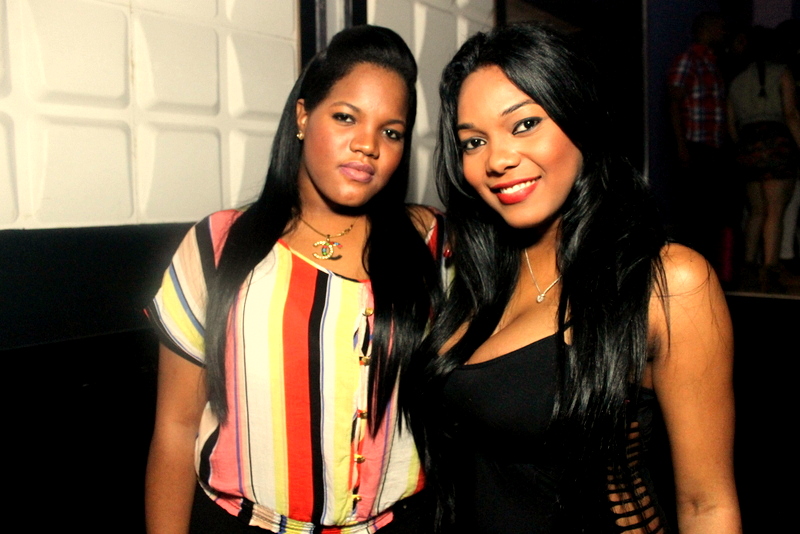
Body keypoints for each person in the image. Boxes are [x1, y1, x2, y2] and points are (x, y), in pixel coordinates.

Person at [421, 23, 741, 533]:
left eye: (525, 124)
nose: (497, 159)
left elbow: (708, 505)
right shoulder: (477, 282)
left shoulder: (665, 283)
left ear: (580, 119)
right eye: (474, 141)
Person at [145, 25, 443, 534]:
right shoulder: (217, 247)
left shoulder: (432, 247)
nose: (367, 145)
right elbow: (176, 428)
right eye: (346, 117)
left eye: (391, 132)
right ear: (303, 116)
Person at [728, 26, 800, 291]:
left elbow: (731, 125)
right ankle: (770, 269)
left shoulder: (736, 80)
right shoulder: (782, 72)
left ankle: (747, 267)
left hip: (748, 146)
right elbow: (790, 114)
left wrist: (744, 148)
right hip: (776, 144)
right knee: (775, 211)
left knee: (756, 211)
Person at [668, 12, 728, 270]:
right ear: (709, 28)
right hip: (695, 144)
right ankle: (692, 269)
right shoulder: (689, 59)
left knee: (711, 213)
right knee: (695, 212)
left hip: (712, 145)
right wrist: (681, 146)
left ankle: (708, 268)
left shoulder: (712, 62)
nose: (724, 32)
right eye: (721, 27)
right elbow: (674, 102)